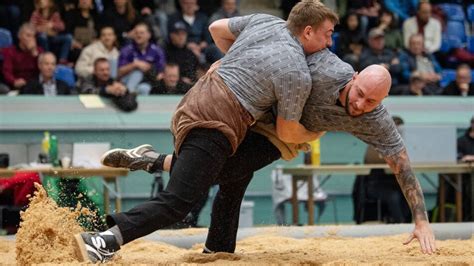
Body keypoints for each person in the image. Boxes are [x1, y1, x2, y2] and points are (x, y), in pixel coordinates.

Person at [101, 50, 437, 256]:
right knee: (217, 177)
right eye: (360, 94)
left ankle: (158, 169)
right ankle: (209, 239)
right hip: (254, 109)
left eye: (371, 102)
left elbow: (401, 164)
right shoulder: (324, 67)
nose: (360, 105)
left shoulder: (375, 118)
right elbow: (274, 48)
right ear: (354, 77)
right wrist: (229, 63)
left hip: (280, 138)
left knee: (231, 174)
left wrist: (421, 221)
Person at [74, 1, 339, 262]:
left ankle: (218, 248)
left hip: (199, 98)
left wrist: (232, 61)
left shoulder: (266, 21)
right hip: (216, 120)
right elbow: (288, 131)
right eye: (327, 35)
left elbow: (215, 28)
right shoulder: (296, 70)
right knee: (180, 201)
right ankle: (103, 240)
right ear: (307, 31)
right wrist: (314, 134)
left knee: (236, 177)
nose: (329, 43)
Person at [353, 116, 411, 224]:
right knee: (394, 196)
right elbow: (372, 160)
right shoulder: (377, 143)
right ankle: (401, 224)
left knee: (409, 193)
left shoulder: (405, 146)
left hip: (395, 184)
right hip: (376, 185)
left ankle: (409, 223)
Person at [118, 22, 166, 95]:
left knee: (144, 88)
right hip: (126, 81)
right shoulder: (127, 50)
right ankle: (129, 92)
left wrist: (149, 68)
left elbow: (161, 72)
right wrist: (135, 65)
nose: (138, 35)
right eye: (136, 33)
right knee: (137, 72)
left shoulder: (157, 51)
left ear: (149, 35)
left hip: (147, 82)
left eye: (141, 33)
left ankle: (130, 93)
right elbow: (119, 73)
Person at [2, 23, 43, 92]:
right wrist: (14, 81)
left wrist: (35, 55)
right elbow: (7, 71)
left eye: (33, 36)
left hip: (33, 85)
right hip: (14, 85)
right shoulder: (10, 51)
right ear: (19, 36)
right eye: (28, 35)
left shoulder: (39, 51)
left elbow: (44, 72)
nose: (30, 39)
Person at [30, 0, 73, 64]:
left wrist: (52, 25)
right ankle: (47, 58)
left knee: (68, 37)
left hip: (53, 36)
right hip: (42, 36)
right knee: (43, 36)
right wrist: (42, 28)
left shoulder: (55, 14)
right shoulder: (36, 13)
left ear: (50, 3)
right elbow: (31, 27)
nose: (42, 1)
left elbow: (62, 26)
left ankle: (62, 60)